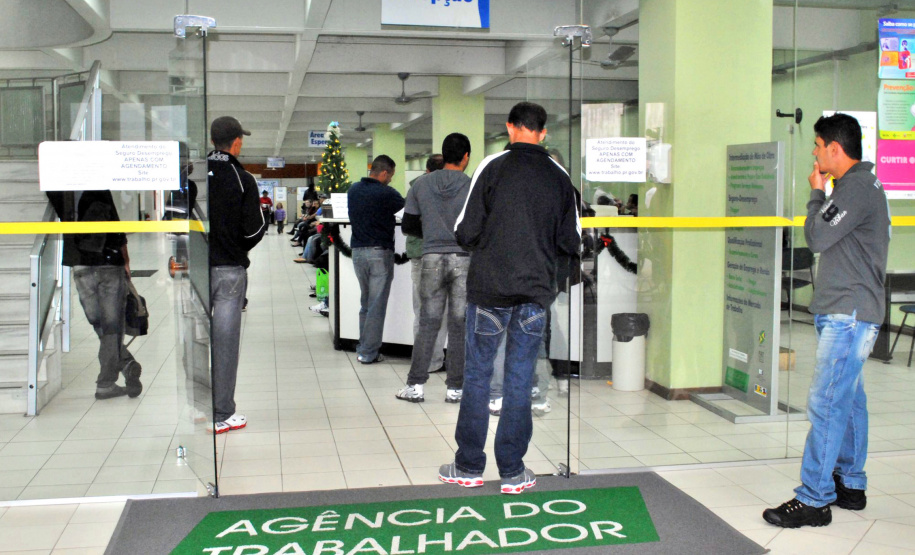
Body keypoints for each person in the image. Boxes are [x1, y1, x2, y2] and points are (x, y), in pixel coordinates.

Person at [439, 102, 580, 494]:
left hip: (489, 291)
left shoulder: (491, 166)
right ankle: (514, 471)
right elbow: (572, 241)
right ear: (543, 132)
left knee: (479, 377)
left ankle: (468, 466)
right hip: (534, 295)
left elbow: (464, 231)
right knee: (519, 379)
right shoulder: (559, 176)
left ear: (510, 128)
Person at [763, 113, 890, 528]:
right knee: (849, 401)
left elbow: (816, 236)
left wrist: (816, 194)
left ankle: (814, 498)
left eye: (818, 146)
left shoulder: (853, 188)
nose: (815, 154)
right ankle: (849, 483)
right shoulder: (859, 186)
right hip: (850, 311)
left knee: (826, 403)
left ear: (835, 149)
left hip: (848, 315)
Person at [397, 135, 471, 404]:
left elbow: (408, 225)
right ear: (466, 157)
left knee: (428, 323)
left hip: (430, 258)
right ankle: (456, 389)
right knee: (459, 324)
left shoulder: (421, 185)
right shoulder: (472, 185)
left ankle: (415, 386)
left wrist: (432, 231)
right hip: (464, 258)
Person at [46, 191, 142, 400]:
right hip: (108, 262)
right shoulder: (97, 187)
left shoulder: (60, 190)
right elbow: (115, 226)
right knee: (110, 326)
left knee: (101, 324)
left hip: (81, 262)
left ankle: (118, 371)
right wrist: (125, 259)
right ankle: (118, 371)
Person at [207, 116, 267, 434]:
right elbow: (255, 229)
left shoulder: (193, 174)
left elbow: (173, 220)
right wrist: (236, 245)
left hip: (196, 271)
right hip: (229, 270)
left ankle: (197, 407)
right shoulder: (242, 178)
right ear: (236, 142)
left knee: (195, 339)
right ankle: (221, 414)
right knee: (225, 343)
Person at [347, 155, 405, 364]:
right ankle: (368, 353)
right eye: (390, 175)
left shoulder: (353, 190)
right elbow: (409, 213)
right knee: (376, 306)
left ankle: (363, 346)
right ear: (384, 173)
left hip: (358, 253)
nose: (391, 179)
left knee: (366, 303)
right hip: (379, 253)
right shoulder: (387, 193)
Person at [406, 154, 448, 380]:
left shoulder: (416, 188)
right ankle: (434, 360)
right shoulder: (453, 188)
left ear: (426, 169)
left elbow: (408, 224)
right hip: (444, 254)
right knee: (441, 312)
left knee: (422, 311)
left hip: (421, 255)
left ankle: (423, 361)